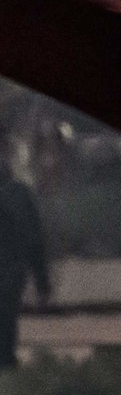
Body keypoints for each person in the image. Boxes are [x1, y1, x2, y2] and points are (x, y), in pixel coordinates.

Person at [0, 145, 51, 366]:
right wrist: (42, 282)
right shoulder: (20, 195)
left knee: (6, 316)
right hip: (14, 266)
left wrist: (42, 282)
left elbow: (34, 239)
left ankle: (6, 361)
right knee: (6, 316)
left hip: (11, 265)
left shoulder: (18, 196)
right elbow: (35, 239)